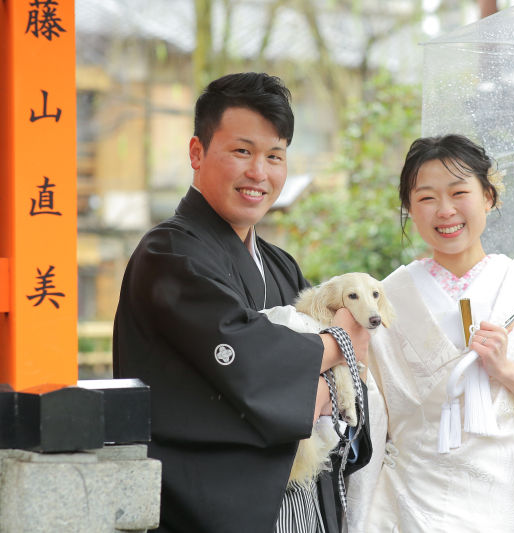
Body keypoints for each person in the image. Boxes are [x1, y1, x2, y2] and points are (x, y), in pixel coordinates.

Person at [113, 72, 372, 533]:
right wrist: (338, 345)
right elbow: (251, 366)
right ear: (197, 152)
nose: (260, 173)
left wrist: (325, 377)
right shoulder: (169, 254)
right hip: (209, 509)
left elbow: (340, 394)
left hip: (298, 505)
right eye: (242, 151)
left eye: (275, 156)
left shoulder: (279, 264)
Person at [345, 135, 514, 533]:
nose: (446, 210)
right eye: (427, 198)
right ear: (409, 209)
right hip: (412, 500)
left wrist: (509, 372)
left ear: (489, 196)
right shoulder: (383, 301)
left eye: (459, 192)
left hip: (508, 505)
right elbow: (365, 407)